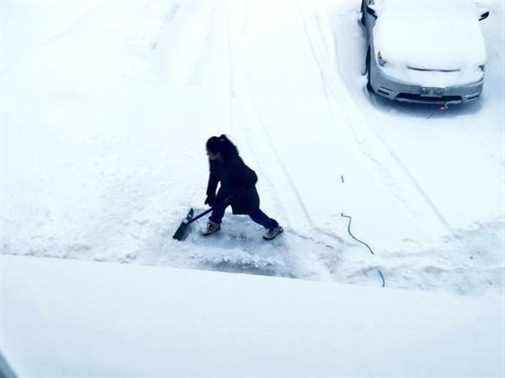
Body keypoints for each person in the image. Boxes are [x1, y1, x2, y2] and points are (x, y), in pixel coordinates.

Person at [203, 135, 283, 240]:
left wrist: (234, 194)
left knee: (253, 211)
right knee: (218, 204)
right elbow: (213, 175)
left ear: (218, 153)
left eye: (209, 152)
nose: (208, 155)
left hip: (245, 188)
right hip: (227, 185)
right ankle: (214, 223)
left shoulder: (234, 161)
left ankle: (273, 227)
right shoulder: (213, 159)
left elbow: (249, 179)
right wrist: (210, 194)